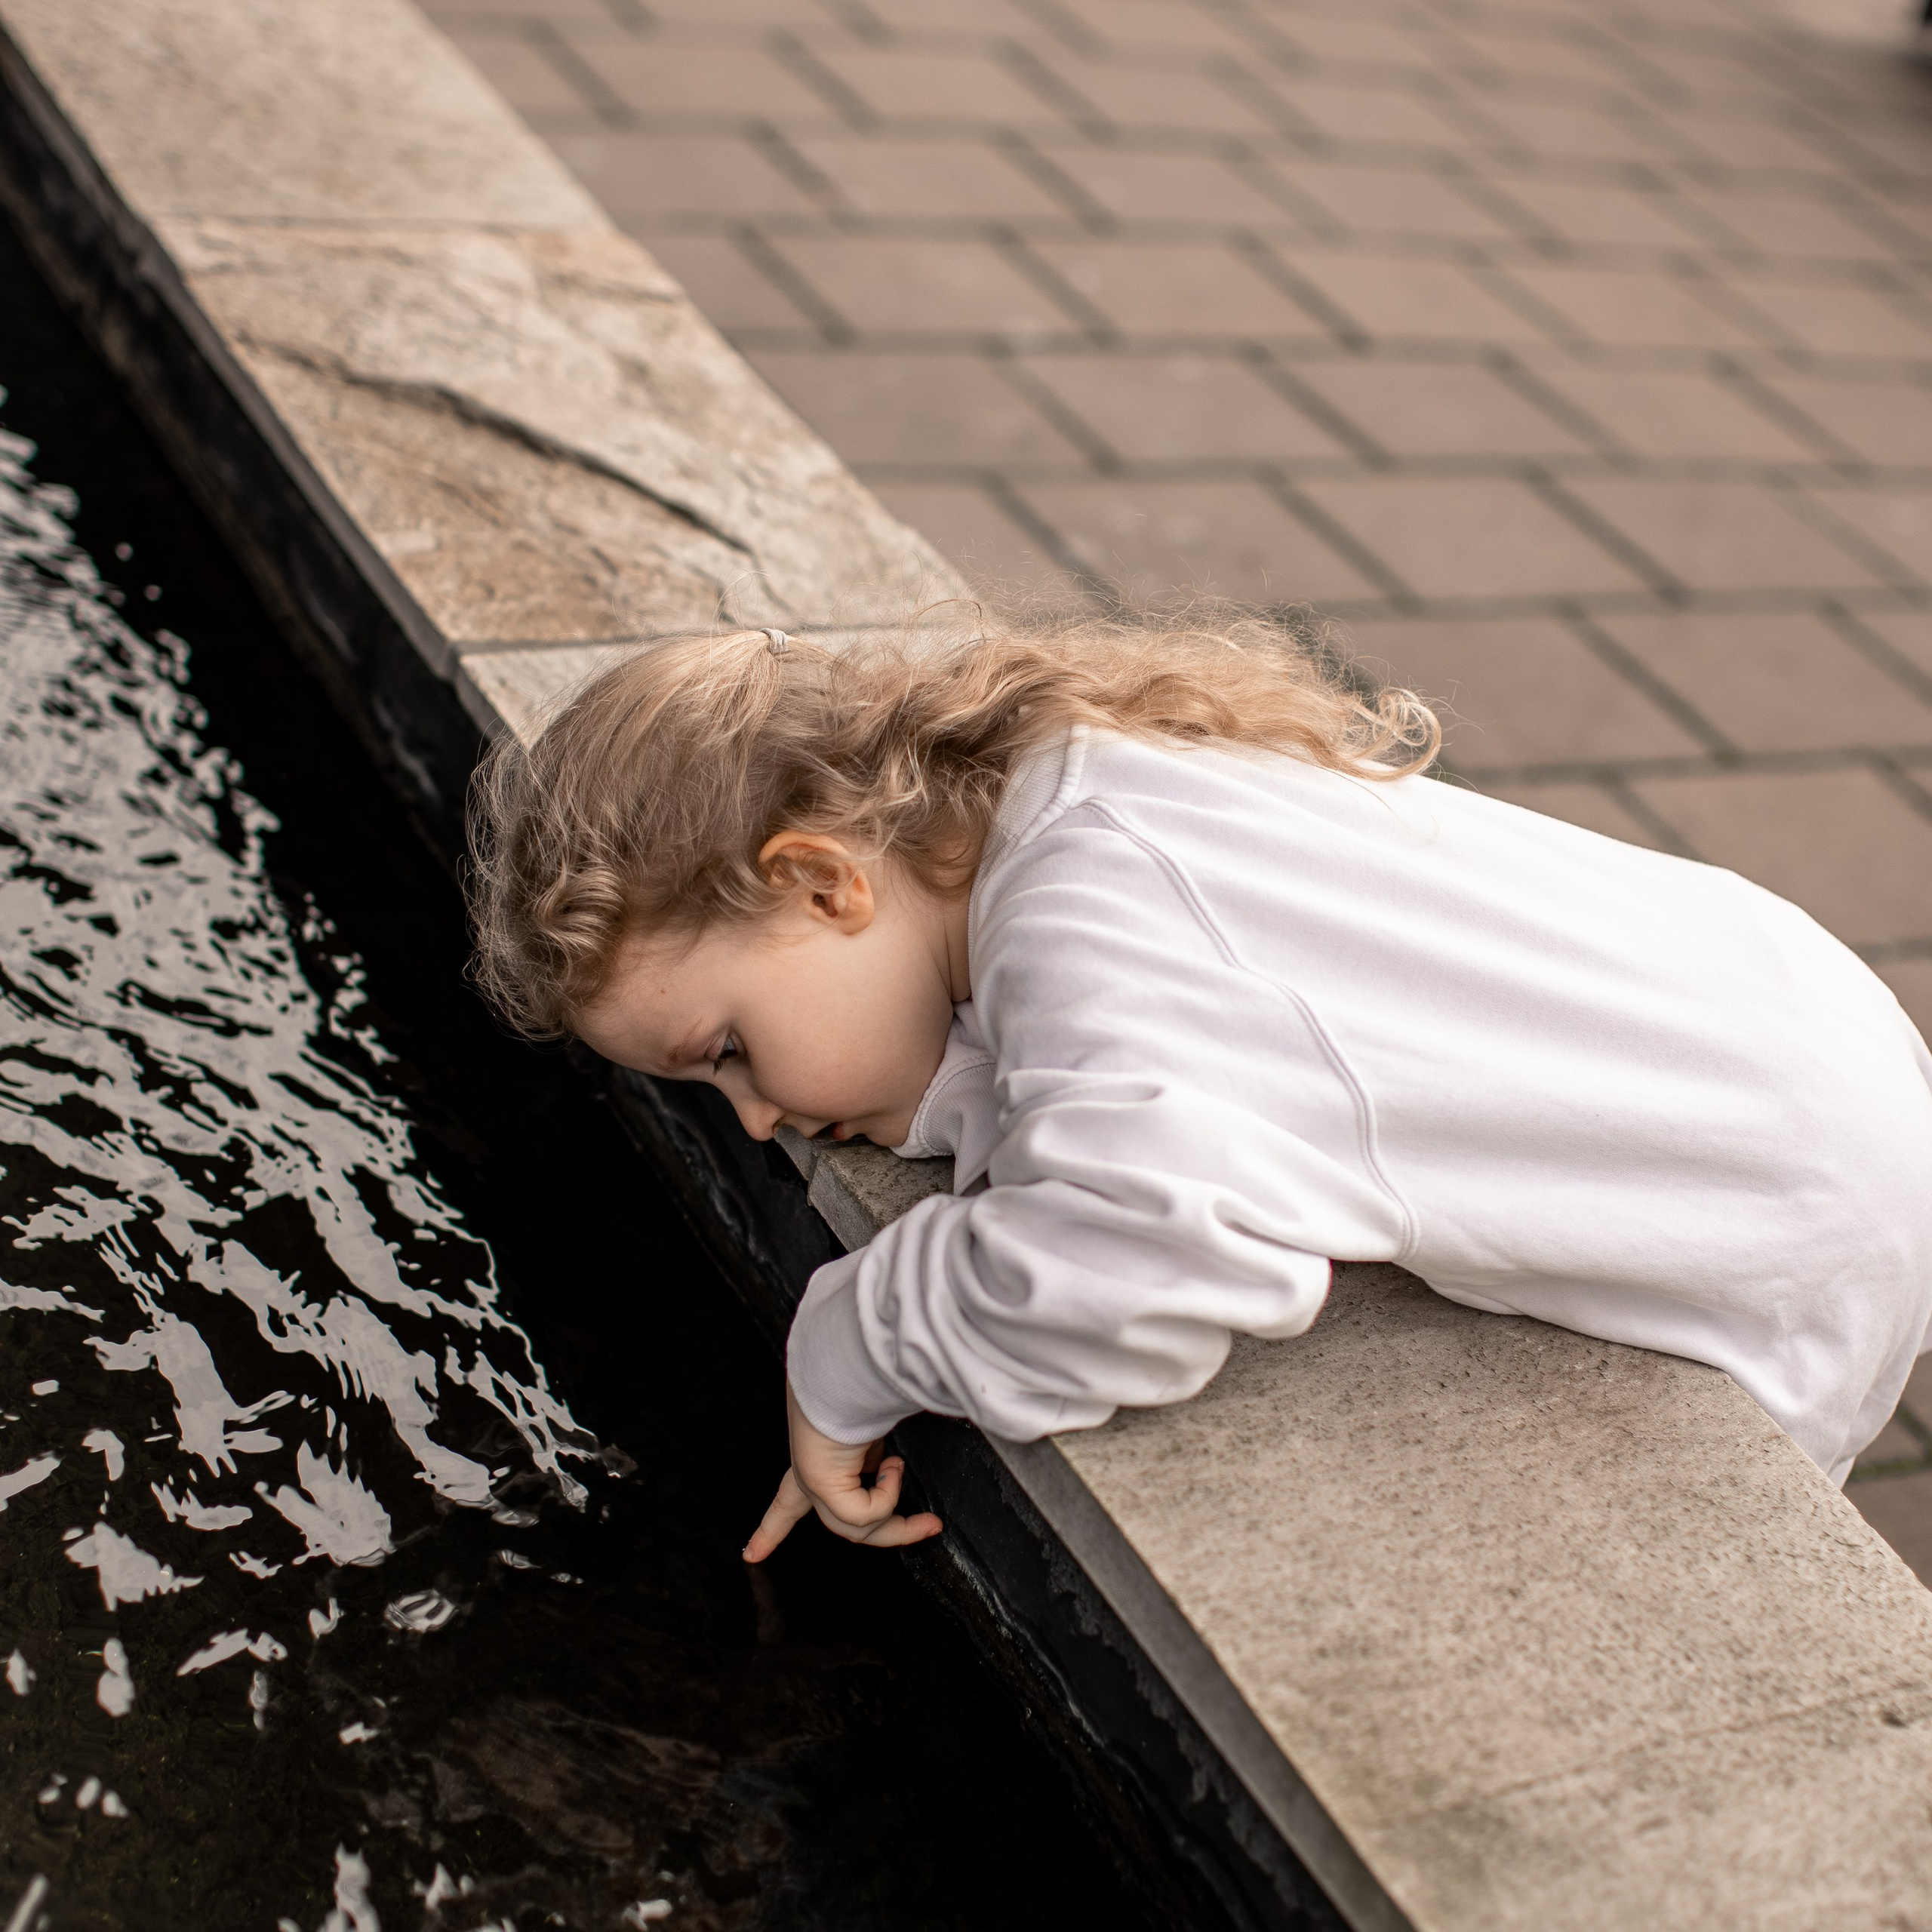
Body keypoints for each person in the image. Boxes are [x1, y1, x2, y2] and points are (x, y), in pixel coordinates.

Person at [466, 613, 1932, 1563]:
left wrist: (849, 1342)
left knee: (1707, 1570)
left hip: (1771, 1207)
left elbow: (1147, 1252)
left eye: (725, 1050)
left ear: (821, 882)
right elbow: (1181, 1056)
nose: (754, 1117)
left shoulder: (1077, 918)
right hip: (1783, 1005)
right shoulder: (1072, 789)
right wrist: (949, 1096)